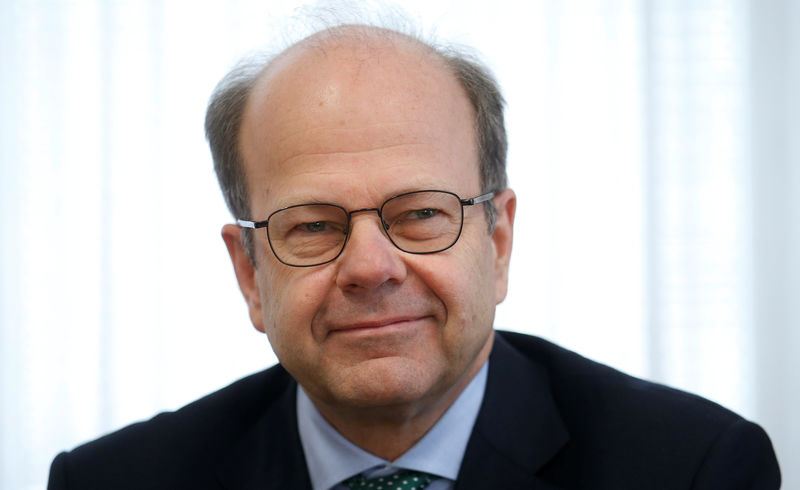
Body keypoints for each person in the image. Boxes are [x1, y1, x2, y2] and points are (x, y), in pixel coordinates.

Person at [47, 23, 780, 490]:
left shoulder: (693, 470)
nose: (371, 267)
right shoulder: (114, 481)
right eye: (313, 226)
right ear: (250, 274)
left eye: (421, 214)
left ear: (497, 243)